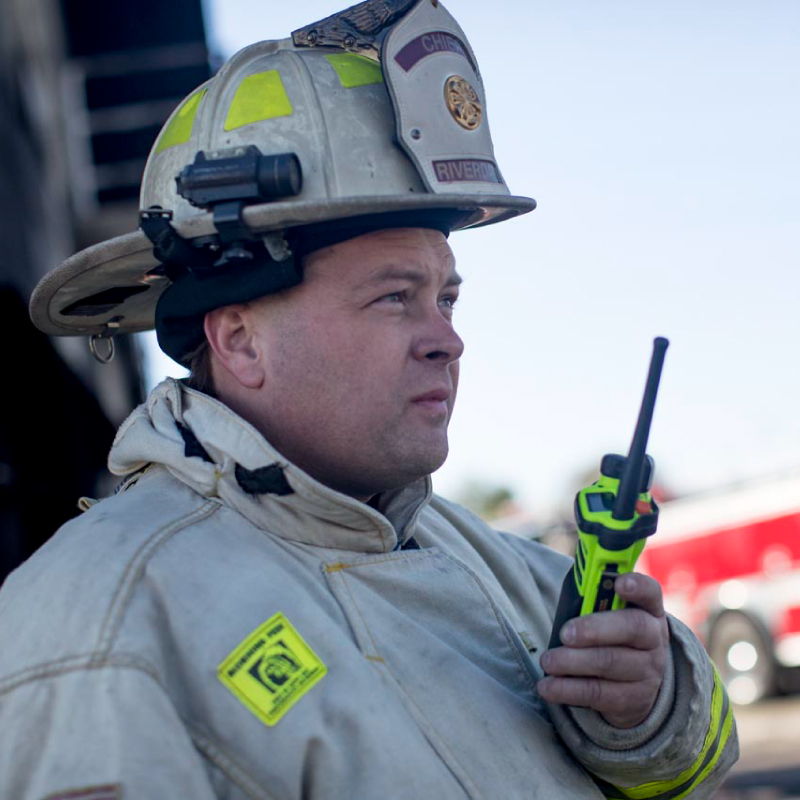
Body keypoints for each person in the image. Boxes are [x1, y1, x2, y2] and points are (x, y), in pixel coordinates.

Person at [0, 1, 737, 798]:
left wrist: (646, 713)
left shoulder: (498, 568)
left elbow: (687, 775)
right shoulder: (102, 618)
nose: (446, 341)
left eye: (446, 300)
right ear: (240, 340)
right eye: (394, 298)